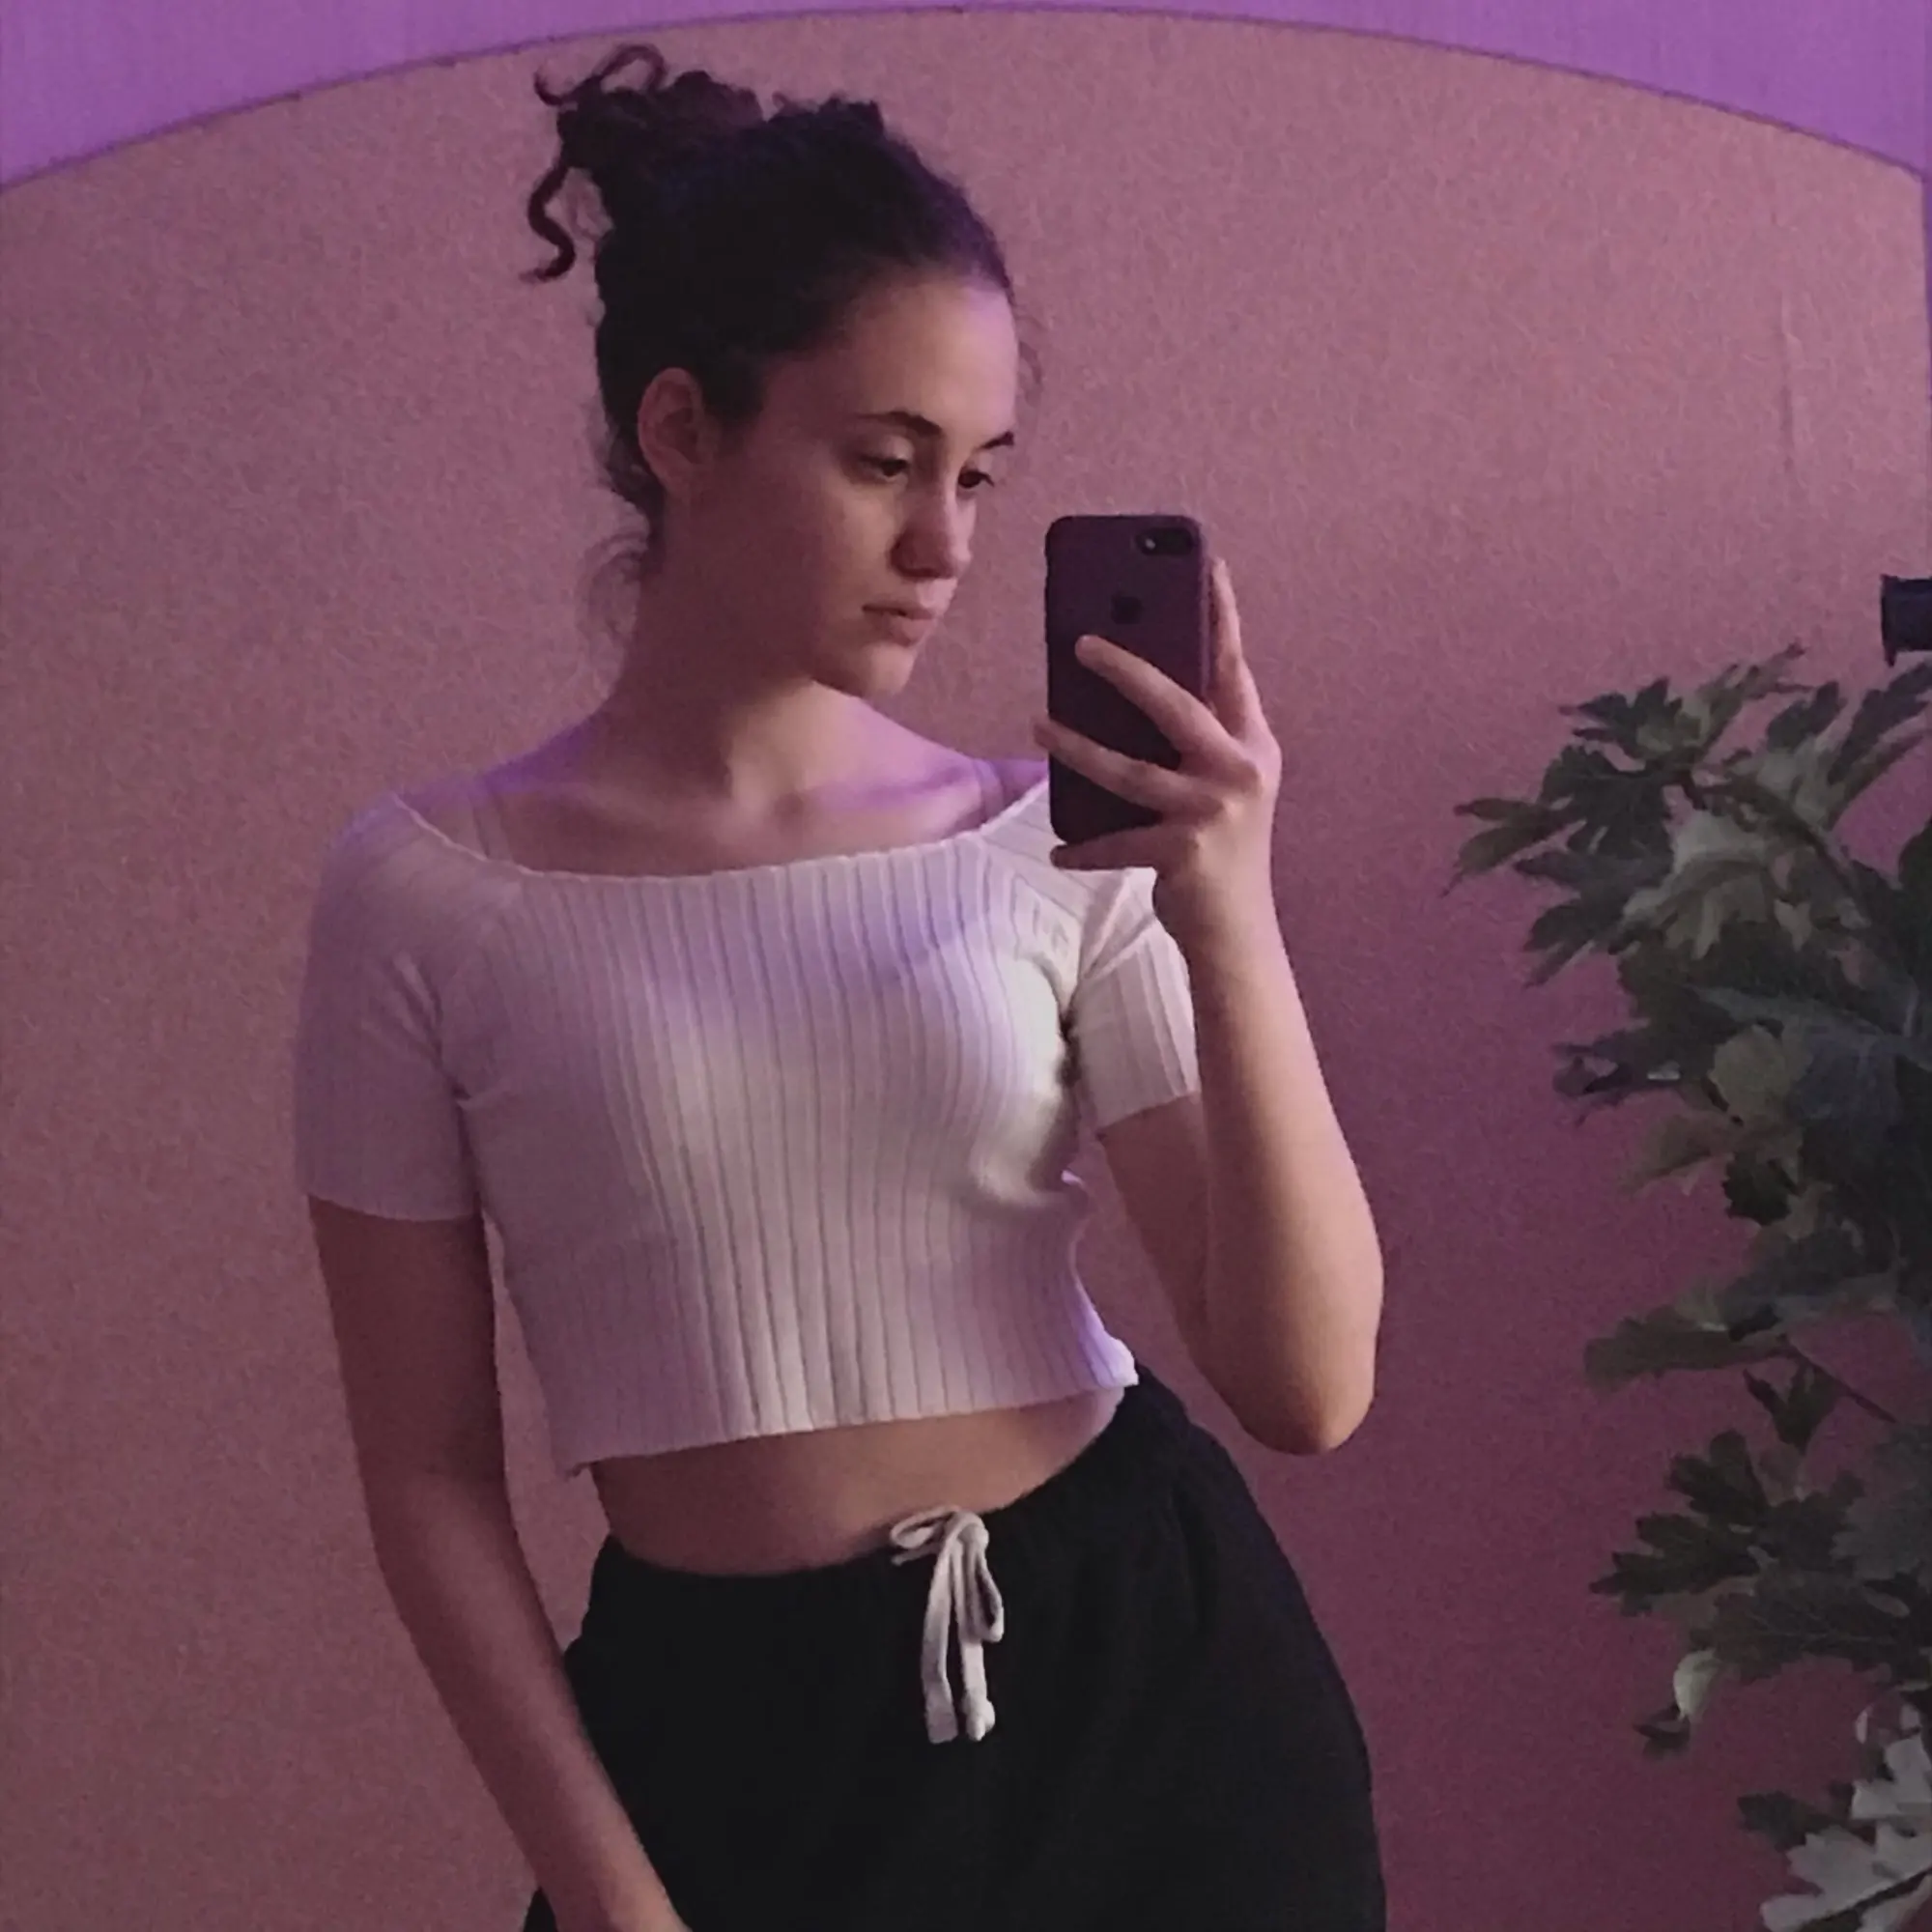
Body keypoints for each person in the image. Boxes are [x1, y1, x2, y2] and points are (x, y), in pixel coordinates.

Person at [293, 41, 1385, 1932]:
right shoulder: (428, 897)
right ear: (683, 429)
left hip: (1153, 1690)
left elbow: (1308, 1385)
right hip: (727, 1742)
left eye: (978, 474)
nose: (944, 546)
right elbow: (428, 1482)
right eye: (884, 462)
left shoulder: (1046, 842)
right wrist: (615, 1904)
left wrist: (1227, 914)